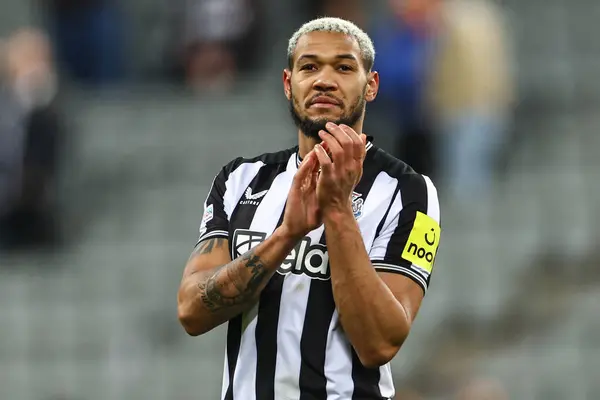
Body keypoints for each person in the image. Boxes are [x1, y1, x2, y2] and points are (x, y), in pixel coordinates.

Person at [177, 17, 442, 399]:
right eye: (309, 66)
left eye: (344, 67)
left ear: (371, 86)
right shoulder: (240, 180)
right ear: (289, 84)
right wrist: (286, 234)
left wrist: (336, 211)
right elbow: (192, 311)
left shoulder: (410, 192)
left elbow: (379, 343)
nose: (324, 80)